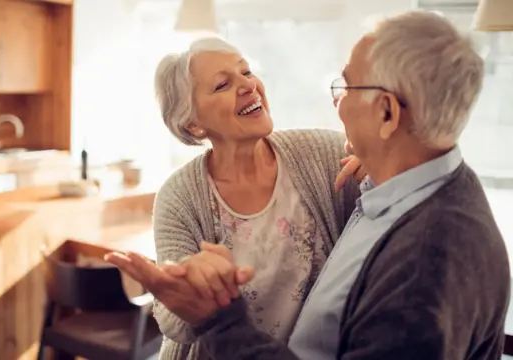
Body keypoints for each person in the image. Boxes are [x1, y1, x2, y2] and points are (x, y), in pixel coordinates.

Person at [106, 10, 511, 360]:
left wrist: (219, 318)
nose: (336, 102)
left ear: (386, 115)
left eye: (346, 86)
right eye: (222, 84)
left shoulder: (421, 255)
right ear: (193, 123)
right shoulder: (398, 193)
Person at [136, 36, 364, 360]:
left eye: (246, 72)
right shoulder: (179, 196)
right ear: (194, 124)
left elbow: (402, 191)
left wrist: (382, 165)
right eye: (222, 85)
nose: (248, 85)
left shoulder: (324, 154)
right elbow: (173, 322)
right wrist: (197, 291)